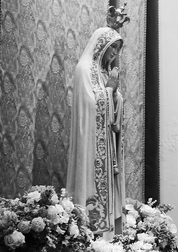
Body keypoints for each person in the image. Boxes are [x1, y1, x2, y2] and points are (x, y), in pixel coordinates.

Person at [66, 25, 125, 238]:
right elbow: (90, 106)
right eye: (112, 47)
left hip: (107, 145)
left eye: (117, 49)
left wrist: (115, 95)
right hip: (91, 146)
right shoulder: (84, 69)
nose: (114, 53)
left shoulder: (103, 72)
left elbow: (111, 107)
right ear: (101, 45)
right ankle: (91, 234)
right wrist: (109, 90)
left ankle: (110, 237)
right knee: (92, 190)